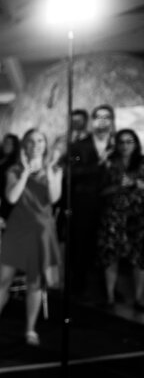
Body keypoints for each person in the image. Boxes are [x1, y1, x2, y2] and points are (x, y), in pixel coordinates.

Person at [0, 128, 61, 347]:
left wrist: (49, 172)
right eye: (31, 141)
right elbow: (11, 198)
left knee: (35, 284)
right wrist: (25, 173)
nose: (36, 145)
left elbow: (53, 198)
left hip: (41, 231)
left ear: (45, 144)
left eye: (40, 140)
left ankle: (30, 330)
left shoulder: (55, 169)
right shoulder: (14, 169)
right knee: (3, 280)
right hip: (18, 229)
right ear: (25, 146)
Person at [68, 104, 115, 297]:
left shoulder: (117, 145)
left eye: (107, 117)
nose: (103, 121)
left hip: (112, 204)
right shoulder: (79, 146)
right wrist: (99, 164)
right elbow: (72, 173)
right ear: (93, 121)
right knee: (82, 245)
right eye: (99, 117)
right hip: (85, 204)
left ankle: (107, 288)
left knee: (108, 246)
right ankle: (80, 287)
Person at [97, 129, 144, 308]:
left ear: (136, 143)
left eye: (129, 141)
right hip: (114, 215)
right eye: (122, 142)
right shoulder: (109, 164)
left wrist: (135, 183)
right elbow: (100, 191)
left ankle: (139, 299)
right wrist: (117, 186)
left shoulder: (142, 162)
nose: (125, 145)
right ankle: (109, 297)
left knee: (139, 258)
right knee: (111, 255)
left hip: (138, 216)